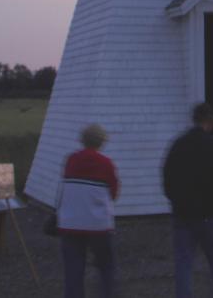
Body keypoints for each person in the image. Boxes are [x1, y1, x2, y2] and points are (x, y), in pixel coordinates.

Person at [163, 103, 213, 298]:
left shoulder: (178, 145)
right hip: (211, 215)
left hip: (184, 214)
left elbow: (167, 180)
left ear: (193, 119)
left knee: (184, 265)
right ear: (210, 121)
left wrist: (177, 202)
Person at [57, 124, 119, 298]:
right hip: (98, 225)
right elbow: (113, 193)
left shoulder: (70, 160)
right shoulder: (106, 163)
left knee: (73, 271)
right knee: (106, 266)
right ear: (101, 142)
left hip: (70, 223)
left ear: (83, 140)